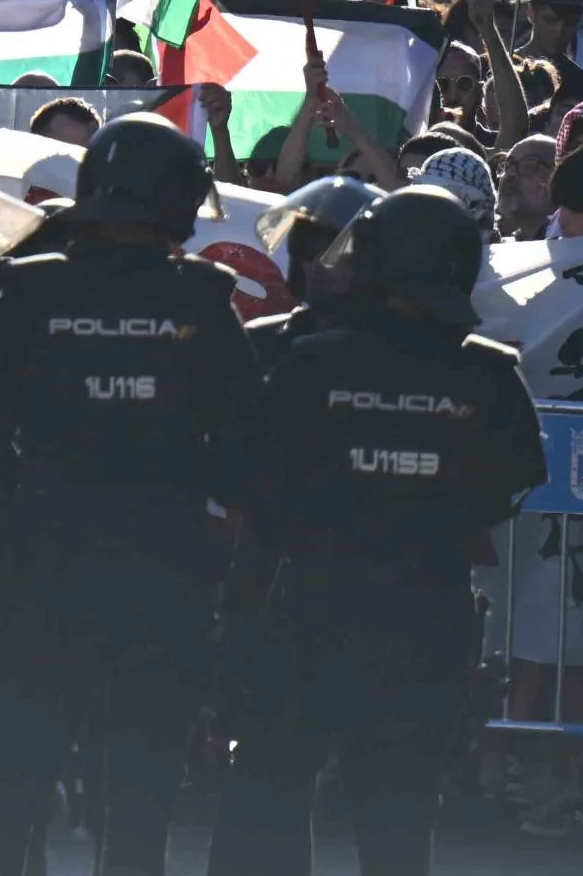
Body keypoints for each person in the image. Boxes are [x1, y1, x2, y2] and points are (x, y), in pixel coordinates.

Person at [209, 187, 543, 875]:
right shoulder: (488, 373)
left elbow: (249, 482)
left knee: (269, 792)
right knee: (397, 814)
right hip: (430, 613)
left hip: (312, 607)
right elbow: (506, 489)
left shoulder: (309, 362)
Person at [0, 113, 257, 876]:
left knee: (10, 786)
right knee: (139, 800)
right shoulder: (201, 300)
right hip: (163, 574)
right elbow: (243, 458)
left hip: (40, 563)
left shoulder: (24, 294)